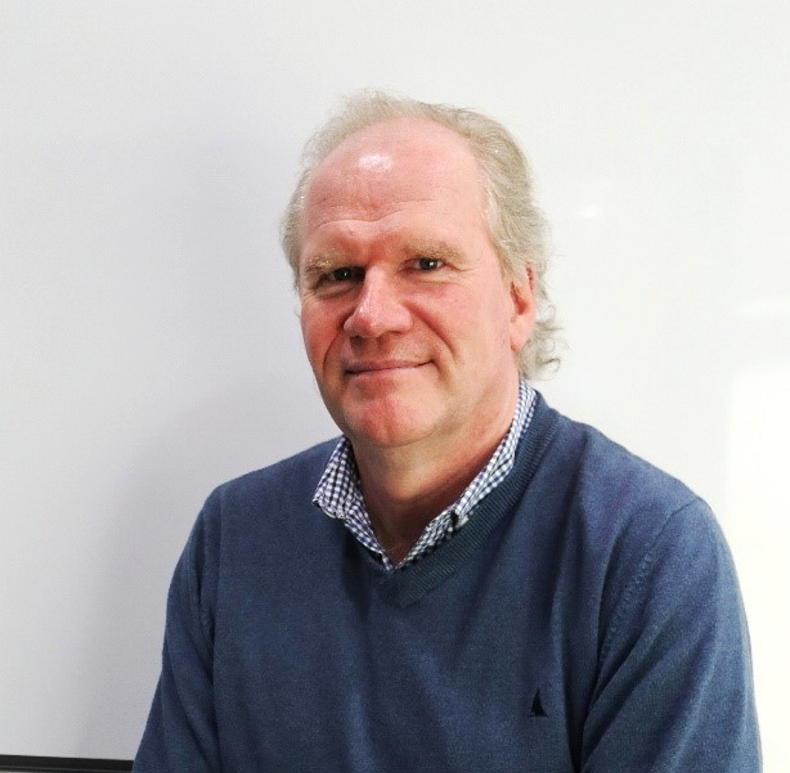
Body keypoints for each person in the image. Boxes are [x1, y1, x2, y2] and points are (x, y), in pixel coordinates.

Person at [133, 92, 760, 771]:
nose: (372, 315)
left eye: (426, 263)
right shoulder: (235, 539)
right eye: (337, 275)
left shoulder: (645, 554)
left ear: (519, 298)